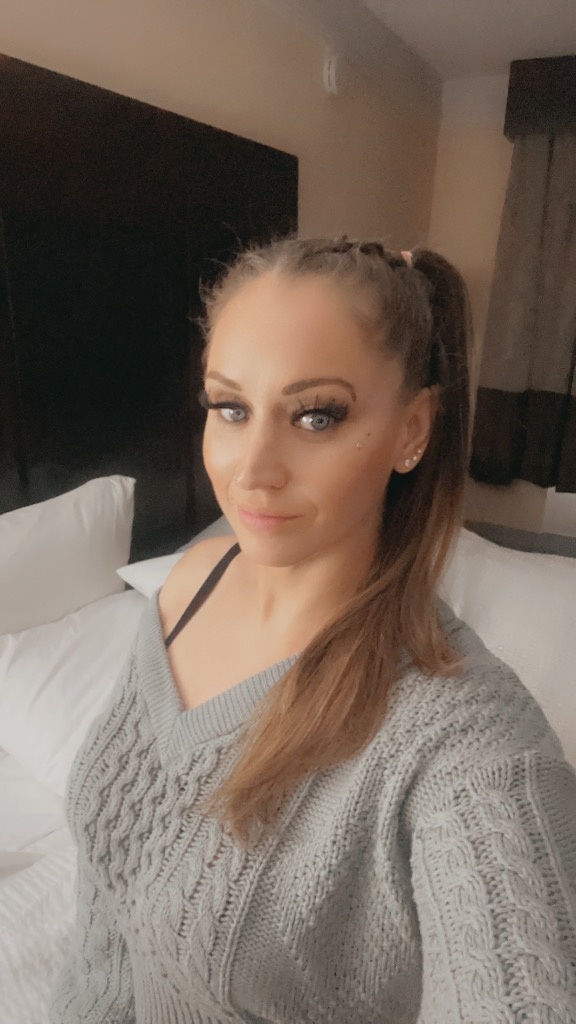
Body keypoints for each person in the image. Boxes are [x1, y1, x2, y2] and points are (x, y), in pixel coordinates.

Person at [49, 237, 576, 1024]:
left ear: (413, 429)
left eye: (315, 416)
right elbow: (108, 926)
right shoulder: (191, 582)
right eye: (231, 408)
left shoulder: (466, 739)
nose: (253, 468)